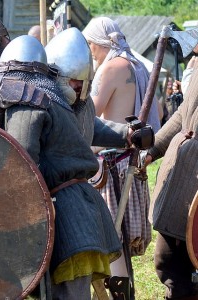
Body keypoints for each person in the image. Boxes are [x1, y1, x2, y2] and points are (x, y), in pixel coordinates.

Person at [0, 35, 121, 299]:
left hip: (64, 212)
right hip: (78, 206)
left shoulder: (28, 102)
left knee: (67, 294)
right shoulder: (51, 100)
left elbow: (23, 166)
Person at [83, 17, 161, 289]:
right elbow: (157, 113)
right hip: (129, 160)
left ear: (99, 43)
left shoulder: (111, 69)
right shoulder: (137, 66)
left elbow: (90, 115)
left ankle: (120, 293)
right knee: (120, 242)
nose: (90, 50)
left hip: (112, 164)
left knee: (112, 240)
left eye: (91, 44)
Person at [144, 62, 198, 300]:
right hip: (183, 174)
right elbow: (183, 112)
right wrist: (153, 149)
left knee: (182, 268)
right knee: (167, 261)